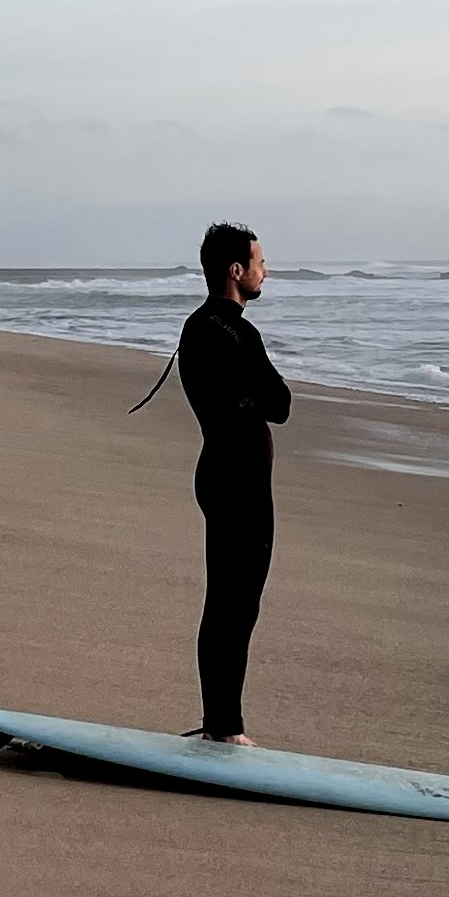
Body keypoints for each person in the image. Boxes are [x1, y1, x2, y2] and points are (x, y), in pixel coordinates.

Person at [177, 222, 289, 744]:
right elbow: (280, 402)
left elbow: (273, 401)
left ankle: (221, 722)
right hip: (235, 481)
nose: (266, 271)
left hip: (228, 475)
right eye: (260, 262)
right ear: (236, 271)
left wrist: (253, 398)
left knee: (233, 602)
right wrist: (253, 399)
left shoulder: (207, 328)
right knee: (233, 604)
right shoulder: (227, 330)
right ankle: (224, 727)